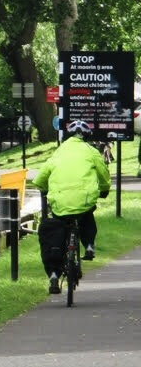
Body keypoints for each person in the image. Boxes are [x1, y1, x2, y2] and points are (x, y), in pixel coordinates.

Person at [32, 119, 111, 294]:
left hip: (59, 202)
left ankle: (54, 274)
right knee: (86, 213)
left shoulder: (58, 153)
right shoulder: (91, 151)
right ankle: (89, 245)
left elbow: (39, 179)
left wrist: (45, 190)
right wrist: (104, 190)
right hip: (84, 199)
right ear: (87, 136)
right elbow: (103, 174)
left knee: (56, 230)